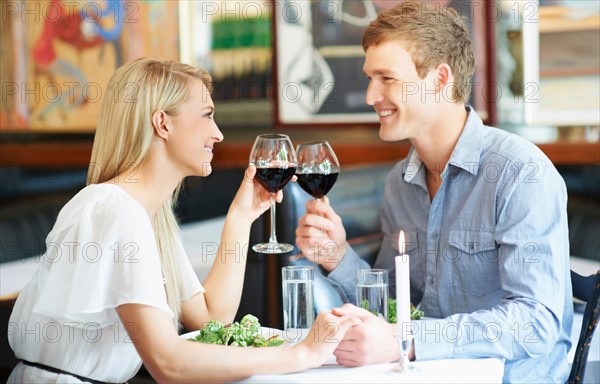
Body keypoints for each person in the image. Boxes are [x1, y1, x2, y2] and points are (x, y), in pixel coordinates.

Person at [7, 57, 358, 383]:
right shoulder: (115, 210)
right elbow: (168, 364)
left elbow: (210, 318)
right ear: (163, 123)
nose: (218, 134)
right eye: (207, 115)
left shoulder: (148, 215)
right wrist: (300, 355)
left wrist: (241, 216)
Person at [294, 1, 573, 382]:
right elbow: (396, 306)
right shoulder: (400, 182)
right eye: (369, 78)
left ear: (440, 80)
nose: (370, 95)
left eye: (386, 78)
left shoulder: (520, 173)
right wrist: (337, 256)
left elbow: (537, 322)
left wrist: (406, 339)